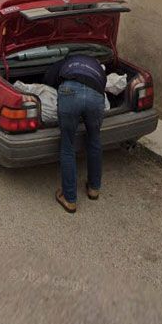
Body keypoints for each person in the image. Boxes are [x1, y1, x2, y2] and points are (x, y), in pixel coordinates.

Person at [44, 53, 106, 213]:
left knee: (67, 145)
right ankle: (94, 189)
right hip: (95, 95)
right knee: (94, 139)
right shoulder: (97, 65)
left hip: (69, 91)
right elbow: (103, 85)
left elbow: (49, 79)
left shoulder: (66, 62)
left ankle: (69, 198)